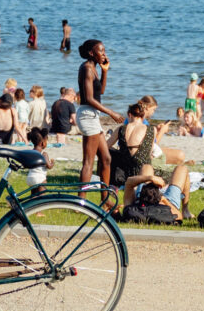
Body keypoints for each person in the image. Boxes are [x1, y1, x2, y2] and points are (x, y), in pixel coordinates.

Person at [115, 96, 192, 223]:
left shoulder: (132, 209)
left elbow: (129, 182)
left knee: (147, 167)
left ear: (130, 114)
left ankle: (184, 207)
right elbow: (179, 217)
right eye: (153, 110)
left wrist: (150, 178)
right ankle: (186, 209)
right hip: (165, 203)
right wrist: (163, 200)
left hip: (143, 197)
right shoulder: (166, 208)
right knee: (182, 168)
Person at [74, 39, 120, 189]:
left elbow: (100, 92)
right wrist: (111, 112)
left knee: (106, 159)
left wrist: (104, 71)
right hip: (87, 115)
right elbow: (88, 98)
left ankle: (105, 198)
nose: (104, 54)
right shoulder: (86, 68)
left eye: (104, 51)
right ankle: (81, 200)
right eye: (101, 51)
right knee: (88, 162)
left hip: (92, 115)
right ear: (91, 53)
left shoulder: (93, 67)